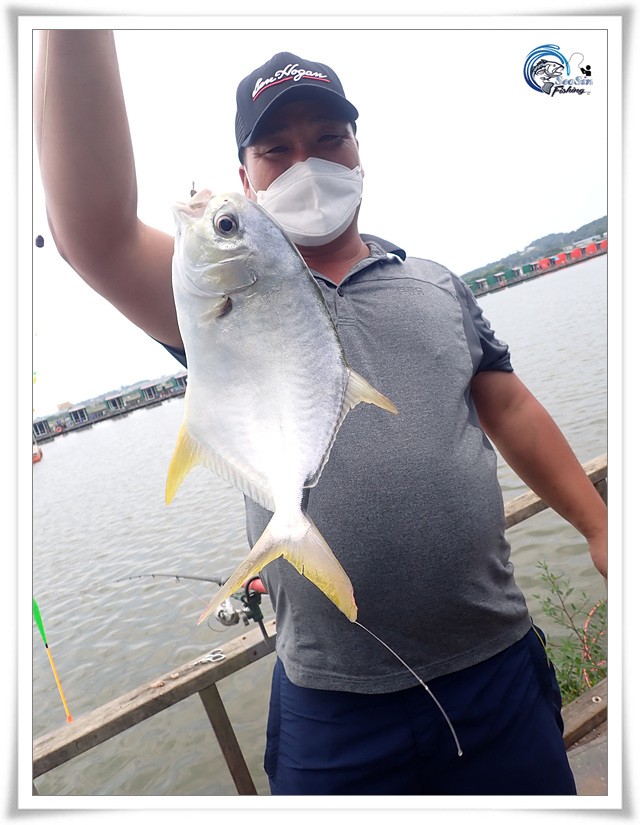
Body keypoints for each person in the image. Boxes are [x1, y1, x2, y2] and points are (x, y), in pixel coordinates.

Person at [35, 31, 607, 796]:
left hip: (495, 666)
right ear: (246, 177)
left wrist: (600, 524)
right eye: (276, 149)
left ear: (359, 152)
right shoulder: (222, 293)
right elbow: (94, 233)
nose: (306, 162)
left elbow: (511, 405)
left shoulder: (436, 285)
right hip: (333, 709)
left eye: (329, 137)